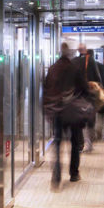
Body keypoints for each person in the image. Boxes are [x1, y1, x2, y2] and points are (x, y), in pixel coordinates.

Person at [43, 42, 88, 186]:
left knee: (57, 143)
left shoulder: (52, 69)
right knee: (75, 143)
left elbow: (45, 91)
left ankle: (56, 177)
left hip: (57, 112)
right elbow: (84, 89)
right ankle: (74, 173)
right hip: (72, 112)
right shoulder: (74, 68)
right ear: (68, 54)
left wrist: (47, 110)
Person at [72, 44, 103, 152]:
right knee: (90, 119)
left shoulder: (74, 61)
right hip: (89, 94)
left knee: (78, 119)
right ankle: (89, 144)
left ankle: (79, 144)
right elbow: (98, 77)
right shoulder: (91, 61)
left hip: (77, 95)